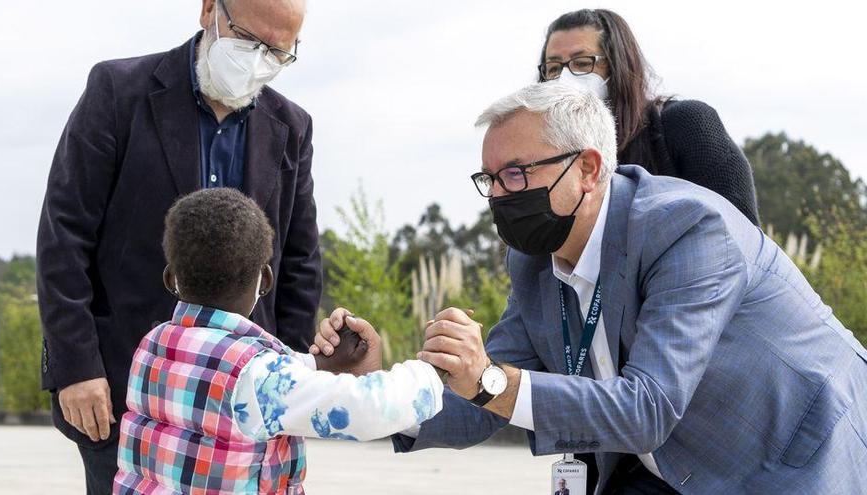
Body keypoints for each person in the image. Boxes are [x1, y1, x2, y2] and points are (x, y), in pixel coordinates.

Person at [314, 83, 867, 493]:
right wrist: (375, 387)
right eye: (489, 179)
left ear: (587, 168)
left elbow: (646, 407)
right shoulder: (533, 263)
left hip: (795, 459)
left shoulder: (689, 228)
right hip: (664, 466)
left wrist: (485, 377)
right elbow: (480, 403)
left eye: (516, 173)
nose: (499, 197)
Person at [36, 1, 322, 492]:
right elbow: (64, 235)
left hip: (245, 400)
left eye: (278, 52)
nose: (258, 60)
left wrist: (291, 375)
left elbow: (300, 260)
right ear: (210, 8)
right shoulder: (118, 92)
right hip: (127, 393)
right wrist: (76, 366)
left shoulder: (291, 127)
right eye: (249, 41)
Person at [113, 188, 443, 494]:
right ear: (266, 279)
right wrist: (429, 372)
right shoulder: (259, 376)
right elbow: (369, 409)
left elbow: (234, 367)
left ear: (172, 278)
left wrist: (319, 365)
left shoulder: (153, 345)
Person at [537, 9, 760, 225]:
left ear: (618, 67)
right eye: (553, 68)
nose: (564, 78)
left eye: (583, 63)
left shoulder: (687, 125)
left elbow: (742, 237)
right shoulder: (545, 157)